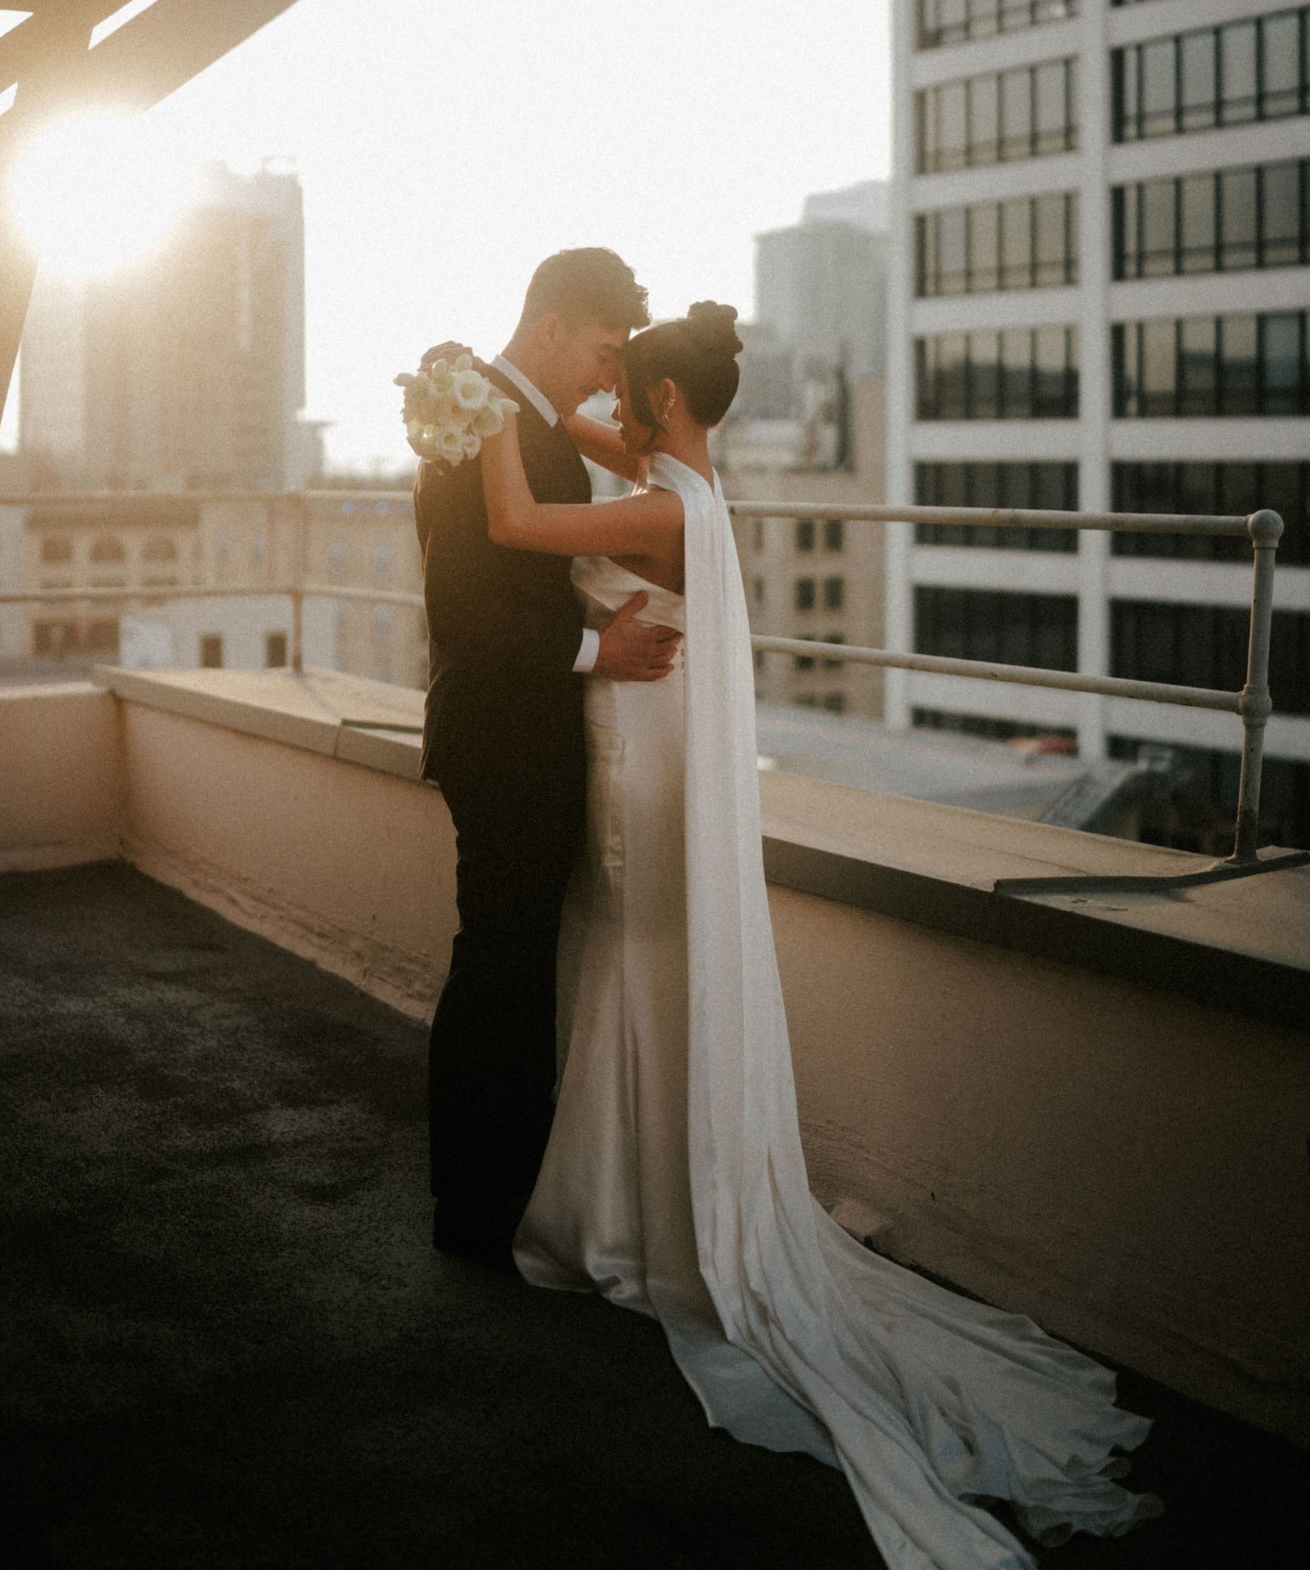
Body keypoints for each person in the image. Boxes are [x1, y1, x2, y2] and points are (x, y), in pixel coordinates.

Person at [479, 300, 1161, 1570]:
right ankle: (635, 1196)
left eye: (631, 393)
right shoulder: (684, 479)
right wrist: (548, 392)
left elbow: (514, 522)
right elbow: (581, 423)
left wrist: (471, 407)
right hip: (649, 740)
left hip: (639, 762)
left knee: (634, 954)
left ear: (667, 407)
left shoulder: (658, 506)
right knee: (636, 964)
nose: (610, 409)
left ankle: (630, 1216)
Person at [415, 248, 681, 1273]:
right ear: (555, 325)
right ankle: (479, 1215)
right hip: (506, 739)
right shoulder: (486, 418)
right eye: (605, 353)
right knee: (501, 973)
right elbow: (465, 610)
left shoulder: (497, 409)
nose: (608, 379)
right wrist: (595, 650)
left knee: (507, 967)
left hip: (513, 736)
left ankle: (488, 1199)